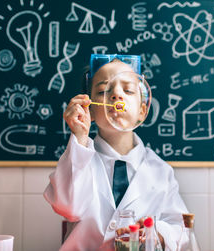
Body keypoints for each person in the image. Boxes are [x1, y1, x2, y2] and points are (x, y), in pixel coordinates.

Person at [44, 54, 188, 251]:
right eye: (103, 90)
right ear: (90, 110)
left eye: (128, 90)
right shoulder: (78, 159)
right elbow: (67, 206)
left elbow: (181, 230)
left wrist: (156, 233)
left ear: (142, 111)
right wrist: (79, 137)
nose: (117, 95)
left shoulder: (161, 172)